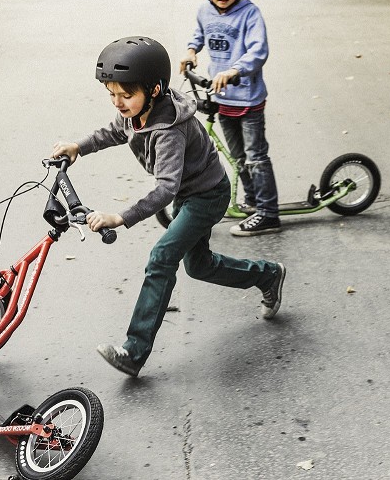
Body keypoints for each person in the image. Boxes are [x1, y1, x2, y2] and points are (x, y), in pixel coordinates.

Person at [51, 36, 285, 377]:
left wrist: (121, 217)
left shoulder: (169, 131)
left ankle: (134, 351)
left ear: (155, 90)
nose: (118, 102)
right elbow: (114, 132)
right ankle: (269, 274)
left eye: (125, 95)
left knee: (162, 257)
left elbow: (165, 189)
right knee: (199, 266)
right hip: (191, 195)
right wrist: (78, 147)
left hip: (207, 196)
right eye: (112, 94)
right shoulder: (137, 112)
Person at [180, 0, 281, 236]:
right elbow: (199, 35)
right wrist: (190, 52)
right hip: (221, 99)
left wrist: (234, 70)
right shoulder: (205, 11)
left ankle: (269, 212)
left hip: (249, 100)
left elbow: (258, 50)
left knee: (256, 157)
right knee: (238, 158)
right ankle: (252, 201)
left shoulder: (250, 13)